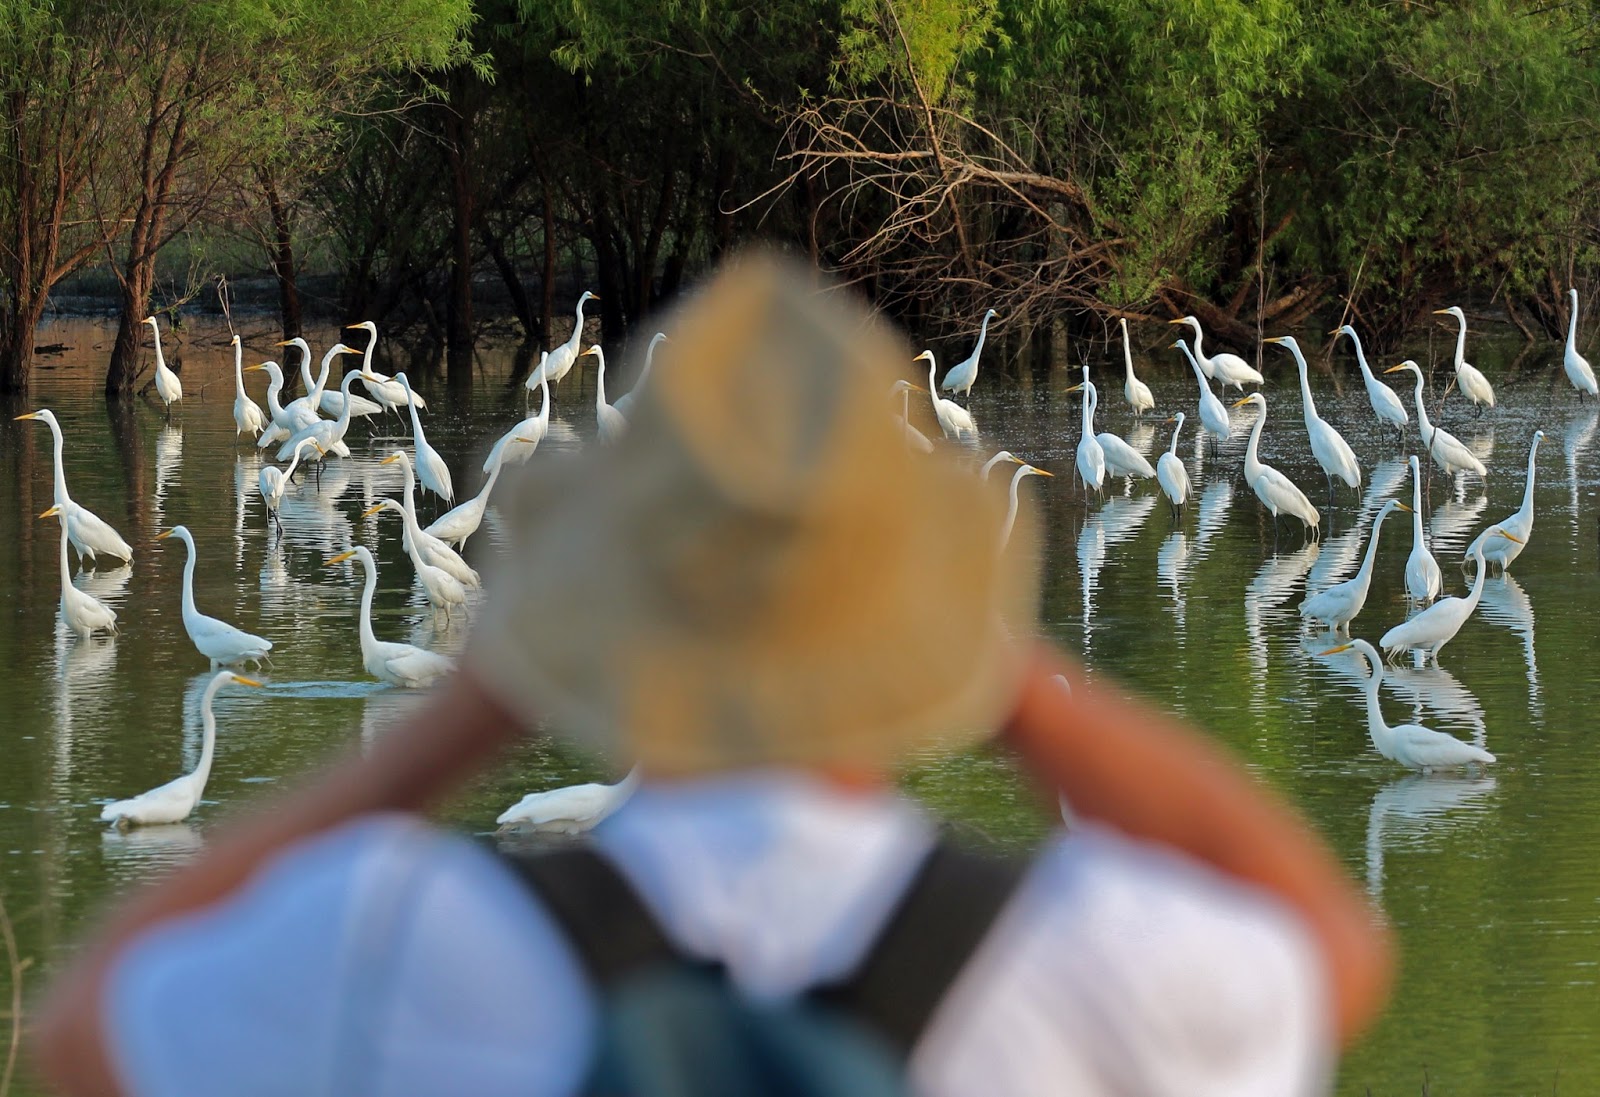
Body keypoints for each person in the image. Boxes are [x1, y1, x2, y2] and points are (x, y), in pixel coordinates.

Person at [33, 254, 1391, 1097]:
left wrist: (477, 700)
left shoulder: (398, 943)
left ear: (607, 605)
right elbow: (1331, 945)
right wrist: (1000, 667)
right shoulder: (1084, 957)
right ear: (911, 619)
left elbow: (87, 1020)